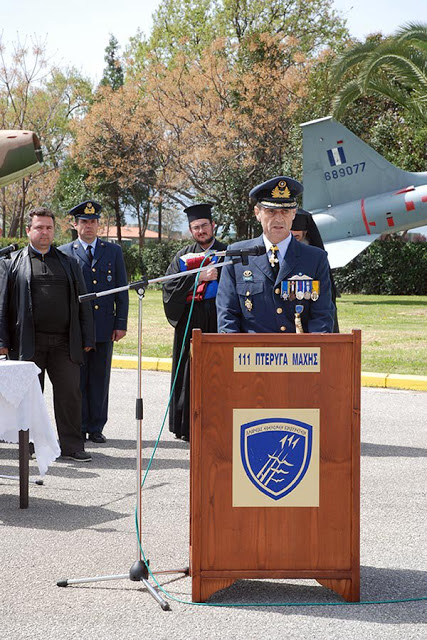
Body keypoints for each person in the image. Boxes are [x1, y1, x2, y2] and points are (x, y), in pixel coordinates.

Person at [0, 207, 94, 461]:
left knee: (70, 395)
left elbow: (84, 302)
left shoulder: (69, 263)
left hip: (64, 343)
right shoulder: (13, 264)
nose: (44, 232)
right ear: (28, 230)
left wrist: (87, 337)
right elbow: (3, 305)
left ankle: (73, 447)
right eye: (39, 227)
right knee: (29, 399)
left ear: (55, 230)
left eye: (49, 227)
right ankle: (28, 445)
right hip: (28, 342)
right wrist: (3, 342)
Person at [216, 176, 335, 333]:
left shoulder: (315, 259)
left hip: (299, 354)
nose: (279, 219)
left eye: (285, 211)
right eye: (271, 211)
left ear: (293, 213)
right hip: (250, 354)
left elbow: (322, 316)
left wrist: (314, 351)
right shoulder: (237, 255)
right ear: (258, 213)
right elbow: (227, 315)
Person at [59, 200, 129, 443]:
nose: (89, 226)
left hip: (103, 326)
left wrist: (120, 323)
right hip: (76, 327)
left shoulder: (113, 252)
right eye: (84, 222)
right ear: (75, 225)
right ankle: (77, 424)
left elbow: (122, 289)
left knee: (100, 378)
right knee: (76, 378)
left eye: (93, 222)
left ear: (99, 224)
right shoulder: (65, 253)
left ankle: (96, 426)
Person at [163, 203, 227, 441]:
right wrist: (198, 277)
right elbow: (169, 288)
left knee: (219, 370)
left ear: (213, 226)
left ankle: (219, 422)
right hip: (190, 318)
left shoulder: (228, 252)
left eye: (204, 226)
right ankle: (186, 425)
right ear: (191, 230)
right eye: (196, 227)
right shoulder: (183, 256)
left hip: (220, 317)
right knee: (188, 371)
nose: (201, 231)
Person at [291, 208, 340, 332]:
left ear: (305, 233)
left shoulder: (316, 260)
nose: (291, 242)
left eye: (296, 237)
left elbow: (324, 310)